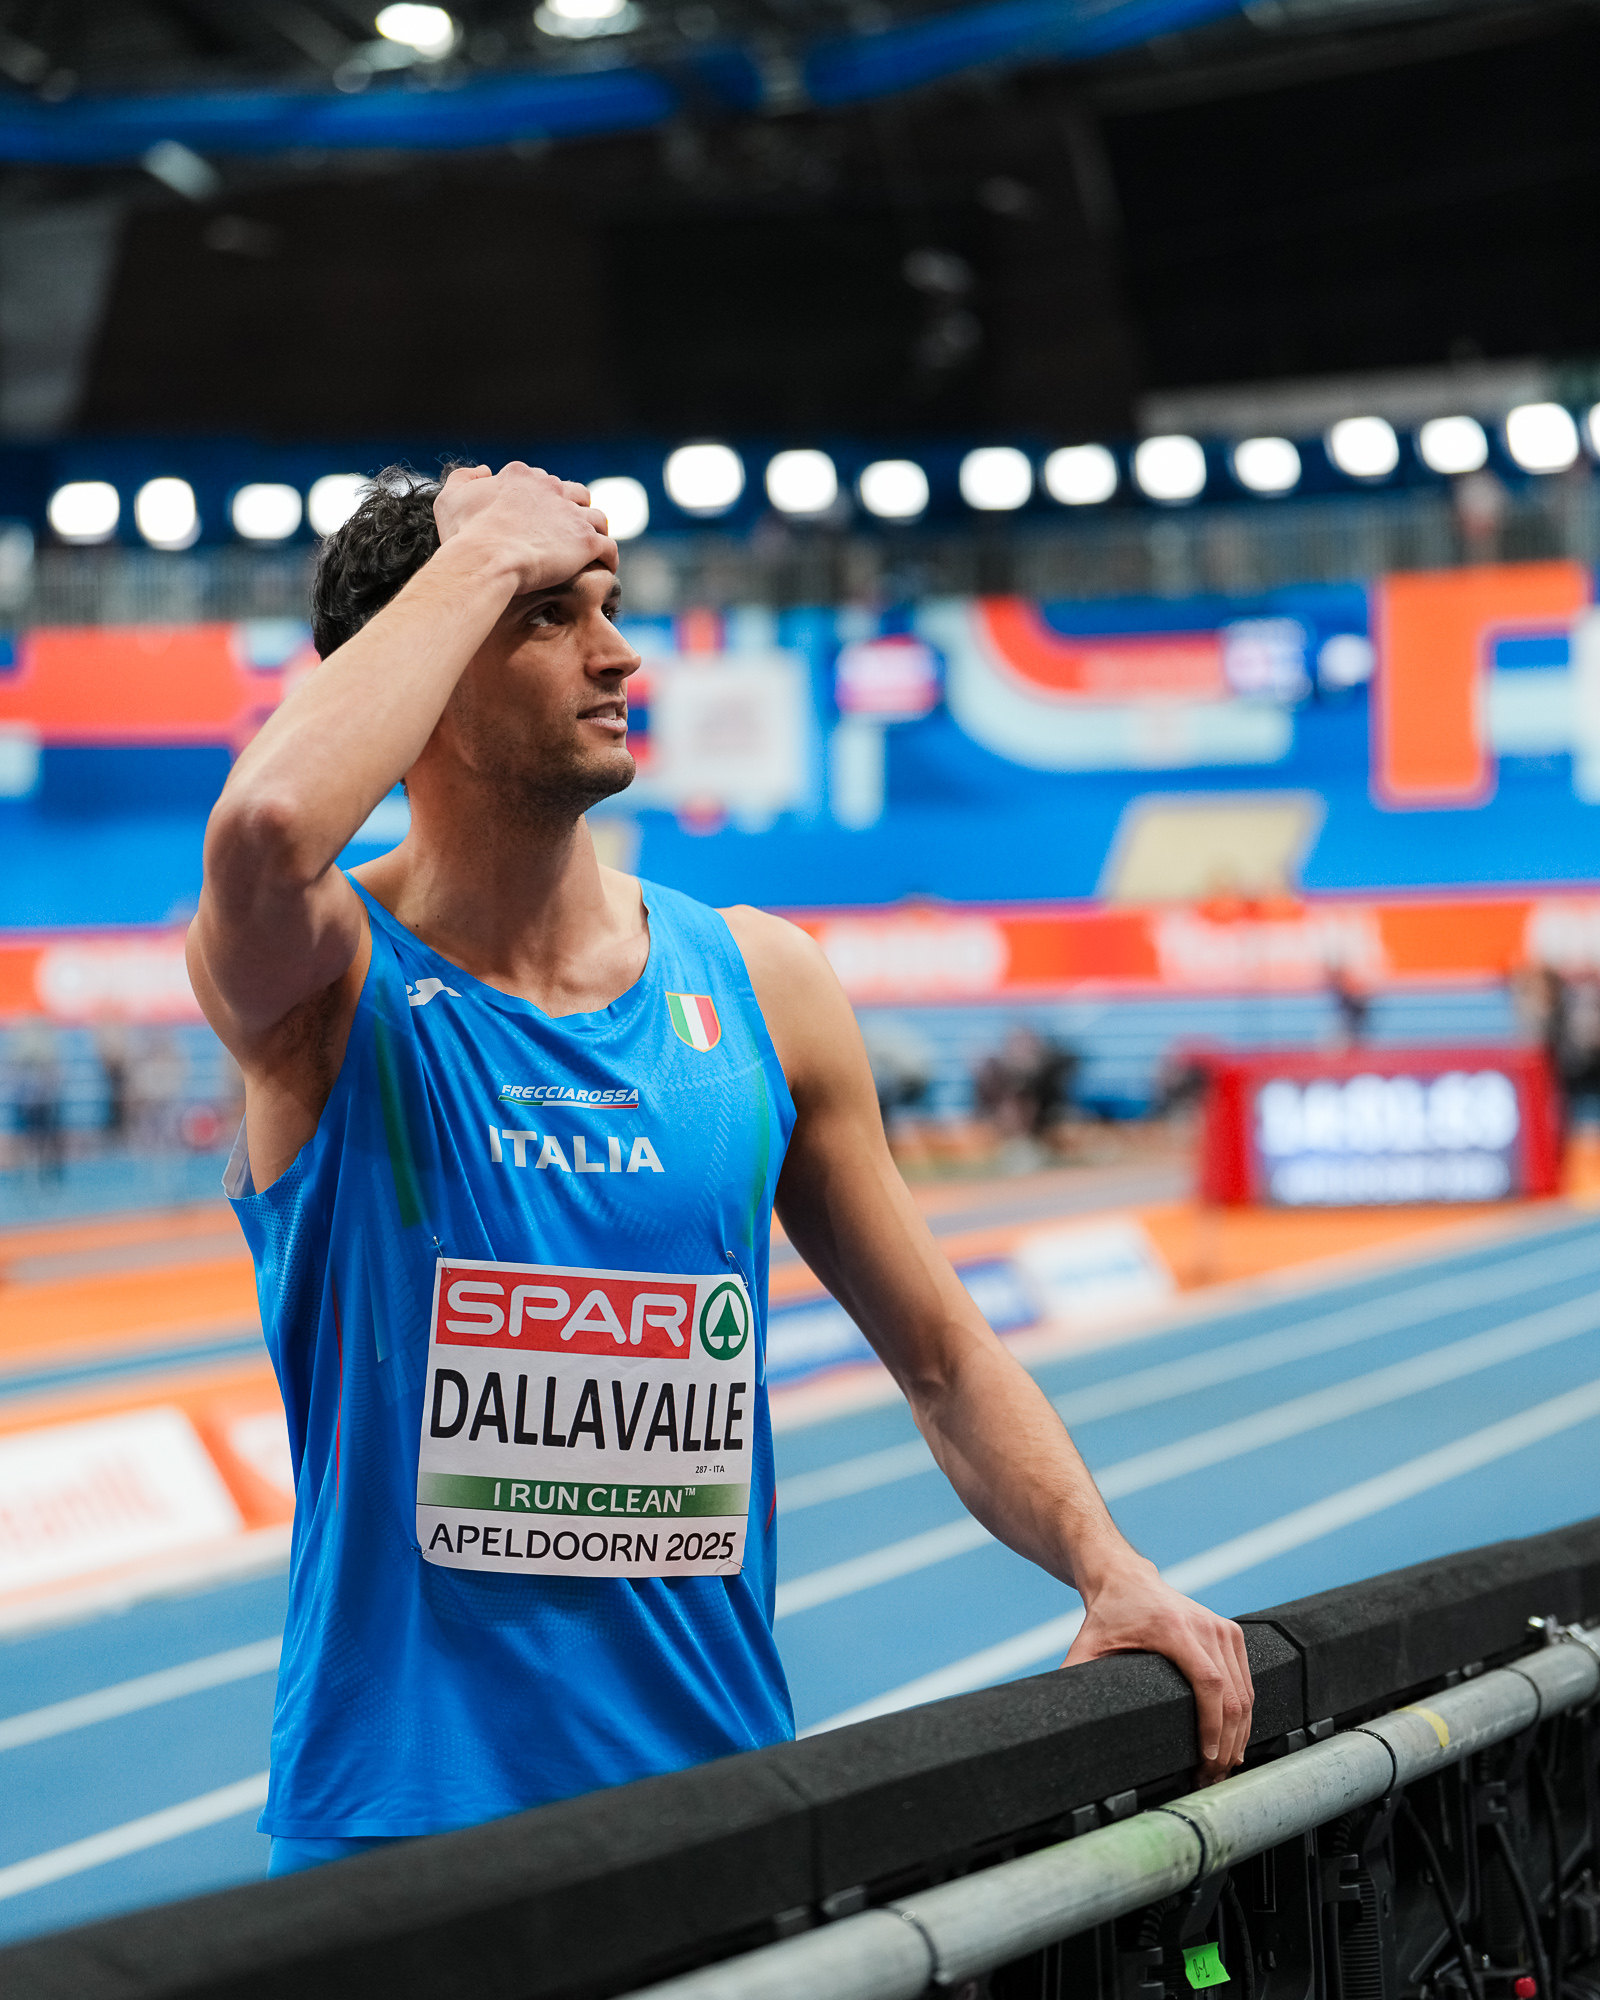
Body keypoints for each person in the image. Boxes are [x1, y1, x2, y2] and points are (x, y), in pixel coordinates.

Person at [188, 462, 1253, 1878]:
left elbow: (944, 1358)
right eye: (550, 615)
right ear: (422, 665)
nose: (618, 654)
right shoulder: (327, 987)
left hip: (722, 1811)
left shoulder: (763, 981)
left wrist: (1107, 1563)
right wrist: (483, 555)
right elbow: (267, 828)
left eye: (609, 605)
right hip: (398, 1838)